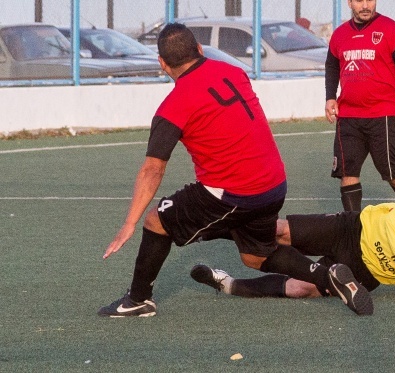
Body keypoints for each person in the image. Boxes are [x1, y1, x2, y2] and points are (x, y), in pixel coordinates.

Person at [98, 23, 372, 317]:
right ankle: (325, 274)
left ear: (162, 64)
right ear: (200, 50)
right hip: (275, 182)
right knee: (255, 256)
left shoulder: (173, 106)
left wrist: (129, 223)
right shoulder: (234, 72)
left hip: (234, 193)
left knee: (156, 221)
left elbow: (152, 169)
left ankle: (139, 300)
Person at [190, 182, 395, 301]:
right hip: (355, 230)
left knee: (304, 289)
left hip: (367, 274)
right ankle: (216, 224)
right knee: (281, 231)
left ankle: (227, 283)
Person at [325, 0, 395, 211]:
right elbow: (332, 65)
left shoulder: (389, 29)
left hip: (383, 114)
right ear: (350, 3)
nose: (365, 5)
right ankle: (353, 226)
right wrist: (330, 97)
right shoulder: (339, 35)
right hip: (348, 116)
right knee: (347, 172)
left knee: (392, 173)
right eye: (359, 0)